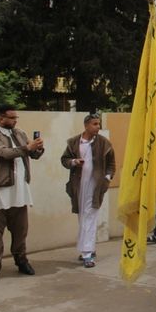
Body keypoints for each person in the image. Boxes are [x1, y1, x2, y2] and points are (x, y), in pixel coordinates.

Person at [0, 105, 45, 285]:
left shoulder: (20, 133)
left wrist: (37, 148)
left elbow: (31, 154)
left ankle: (21, 260)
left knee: (20, 230)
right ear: (1, 118)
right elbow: (3, 153)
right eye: (12, 118)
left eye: (16, 118)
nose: (15, 121)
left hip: (20, 190)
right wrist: (27, 147)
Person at [60, 113, 115, 268]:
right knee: (83, 218)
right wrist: (73, 162)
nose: (98, 127)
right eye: (95, 124)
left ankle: (87, 254)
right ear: (86, 125)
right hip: (78, 187)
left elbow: (111, 163)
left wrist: (107, 178)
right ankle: (89, 248)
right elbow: (64, 160)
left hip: (96, 187)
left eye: (99, 124)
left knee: (90, 217)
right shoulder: (73, 142)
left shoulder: (104, 143)